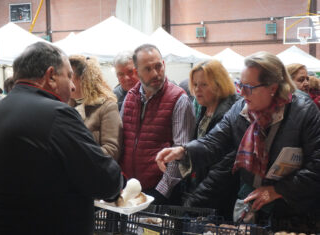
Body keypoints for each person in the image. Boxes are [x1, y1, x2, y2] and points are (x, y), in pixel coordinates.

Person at [157, 51, 320, 231]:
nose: (241, 93)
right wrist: (183, 151)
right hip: (254, 206)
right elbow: (214, 141)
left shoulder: (304, 112)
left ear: (273, 88)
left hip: (295, 211)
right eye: (240, 85)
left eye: (248, 87)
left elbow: (317, 166)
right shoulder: (241, 110)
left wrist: (277, 190)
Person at [0, 42, 124, 235]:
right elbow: (106, 180)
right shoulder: (57, 114)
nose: (73, 87)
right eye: (69, 76)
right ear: (51, 76)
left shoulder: (0, 111)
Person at [119, 44, 195, 204]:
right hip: (130, 189)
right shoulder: (130, 97)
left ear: (164, 64)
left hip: (162, 193)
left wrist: (160, 192)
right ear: (136, 72)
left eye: (158, 66)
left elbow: (181, 151)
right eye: (147, 69)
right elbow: (122, 141)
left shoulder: (179, 99)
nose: (155, 73)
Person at [179, 60, 240, 215]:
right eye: (196, 84)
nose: (197, 90)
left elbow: (222, 170)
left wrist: (193, 202)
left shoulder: (231, 112)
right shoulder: (202, 109)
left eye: (204, 85)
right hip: (199, 191)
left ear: (219, 84)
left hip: (219, 200)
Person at [69, 55, 122, 161]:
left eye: (70, 76)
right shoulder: (66, 106)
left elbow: (112, 151)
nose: (66, 81)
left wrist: (75, 153)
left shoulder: (107, 106)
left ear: (83, 79)